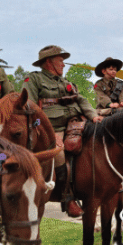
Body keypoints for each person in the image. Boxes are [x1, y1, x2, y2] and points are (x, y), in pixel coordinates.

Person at [24, 45, 103, 218]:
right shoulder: (34, 79)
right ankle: (68, 198)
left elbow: (81, 99)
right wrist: (47, 133)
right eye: (60, 61)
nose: (63, 64)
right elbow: (30, 108)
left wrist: (94, 116)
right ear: (48, 62)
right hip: (52, 127)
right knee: (58, 153)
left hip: (75, 123)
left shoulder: (65, 82)